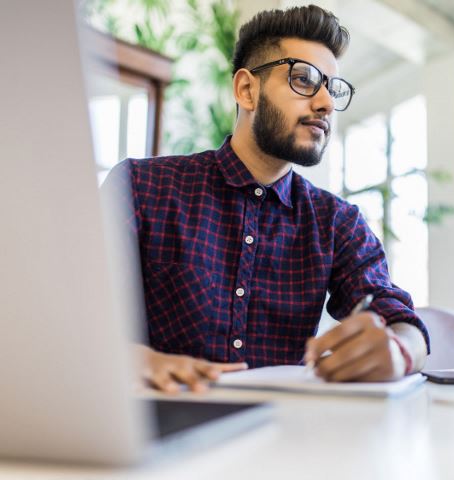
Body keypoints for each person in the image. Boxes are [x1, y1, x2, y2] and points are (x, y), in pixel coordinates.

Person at [106, 5, 430, 393]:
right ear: (246, 89)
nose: (325, 102)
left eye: (332, 88)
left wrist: (400, 350)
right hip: (154, 427)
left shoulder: (336, 221)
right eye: (305, 79)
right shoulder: (141, 187)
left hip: (283, 436)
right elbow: (67, 309)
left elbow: (398, 316)